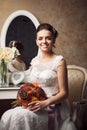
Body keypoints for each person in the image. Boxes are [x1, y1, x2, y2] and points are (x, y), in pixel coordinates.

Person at [1, 23, 77, 130]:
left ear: (53, 40)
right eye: (40, 38)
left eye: (48, 38)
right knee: (8, 115)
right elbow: (29, 82)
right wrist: (25, 99)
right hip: (36, 104)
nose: (44, 42)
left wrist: (45, 103)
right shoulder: (34, 61)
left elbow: (64, 93)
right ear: (36, 41)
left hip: (53, 107)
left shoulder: (59, 61)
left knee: (20, 117)